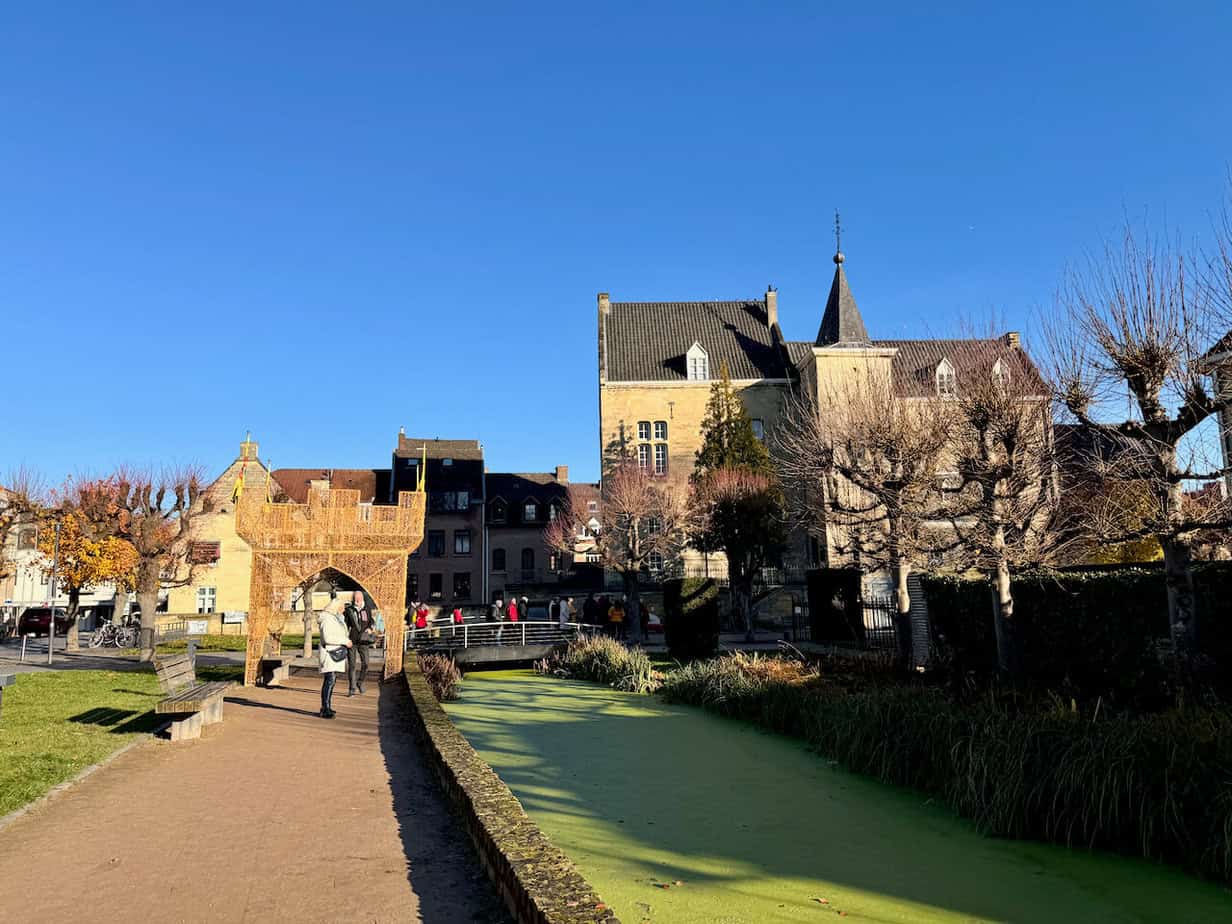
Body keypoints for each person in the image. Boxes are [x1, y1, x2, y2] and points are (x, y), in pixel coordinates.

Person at [317, 599, 352, 719]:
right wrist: (345, 641)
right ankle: (325, 708)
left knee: (331, 680)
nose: (343, 609)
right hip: (329, 653)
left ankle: (327, 706)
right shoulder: (327, 619)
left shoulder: (335, 618)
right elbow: (328, 638)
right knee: (330, 680)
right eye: (342, 607)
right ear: (336, 607)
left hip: (334, 652)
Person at [343, 591, 374, 696]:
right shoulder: (349, 610)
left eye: (359, 598)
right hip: (352, 641)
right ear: (353, 599)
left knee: (366, 664)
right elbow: (345, 625)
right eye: (356, 598)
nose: (358, 600)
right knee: (352, 665)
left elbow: (371, 621)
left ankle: (360, 683)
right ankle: (352, 688)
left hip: (364, 641)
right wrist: (345, 639)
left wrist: (370, 628)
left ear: (362, 598)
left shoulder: (367, 609)